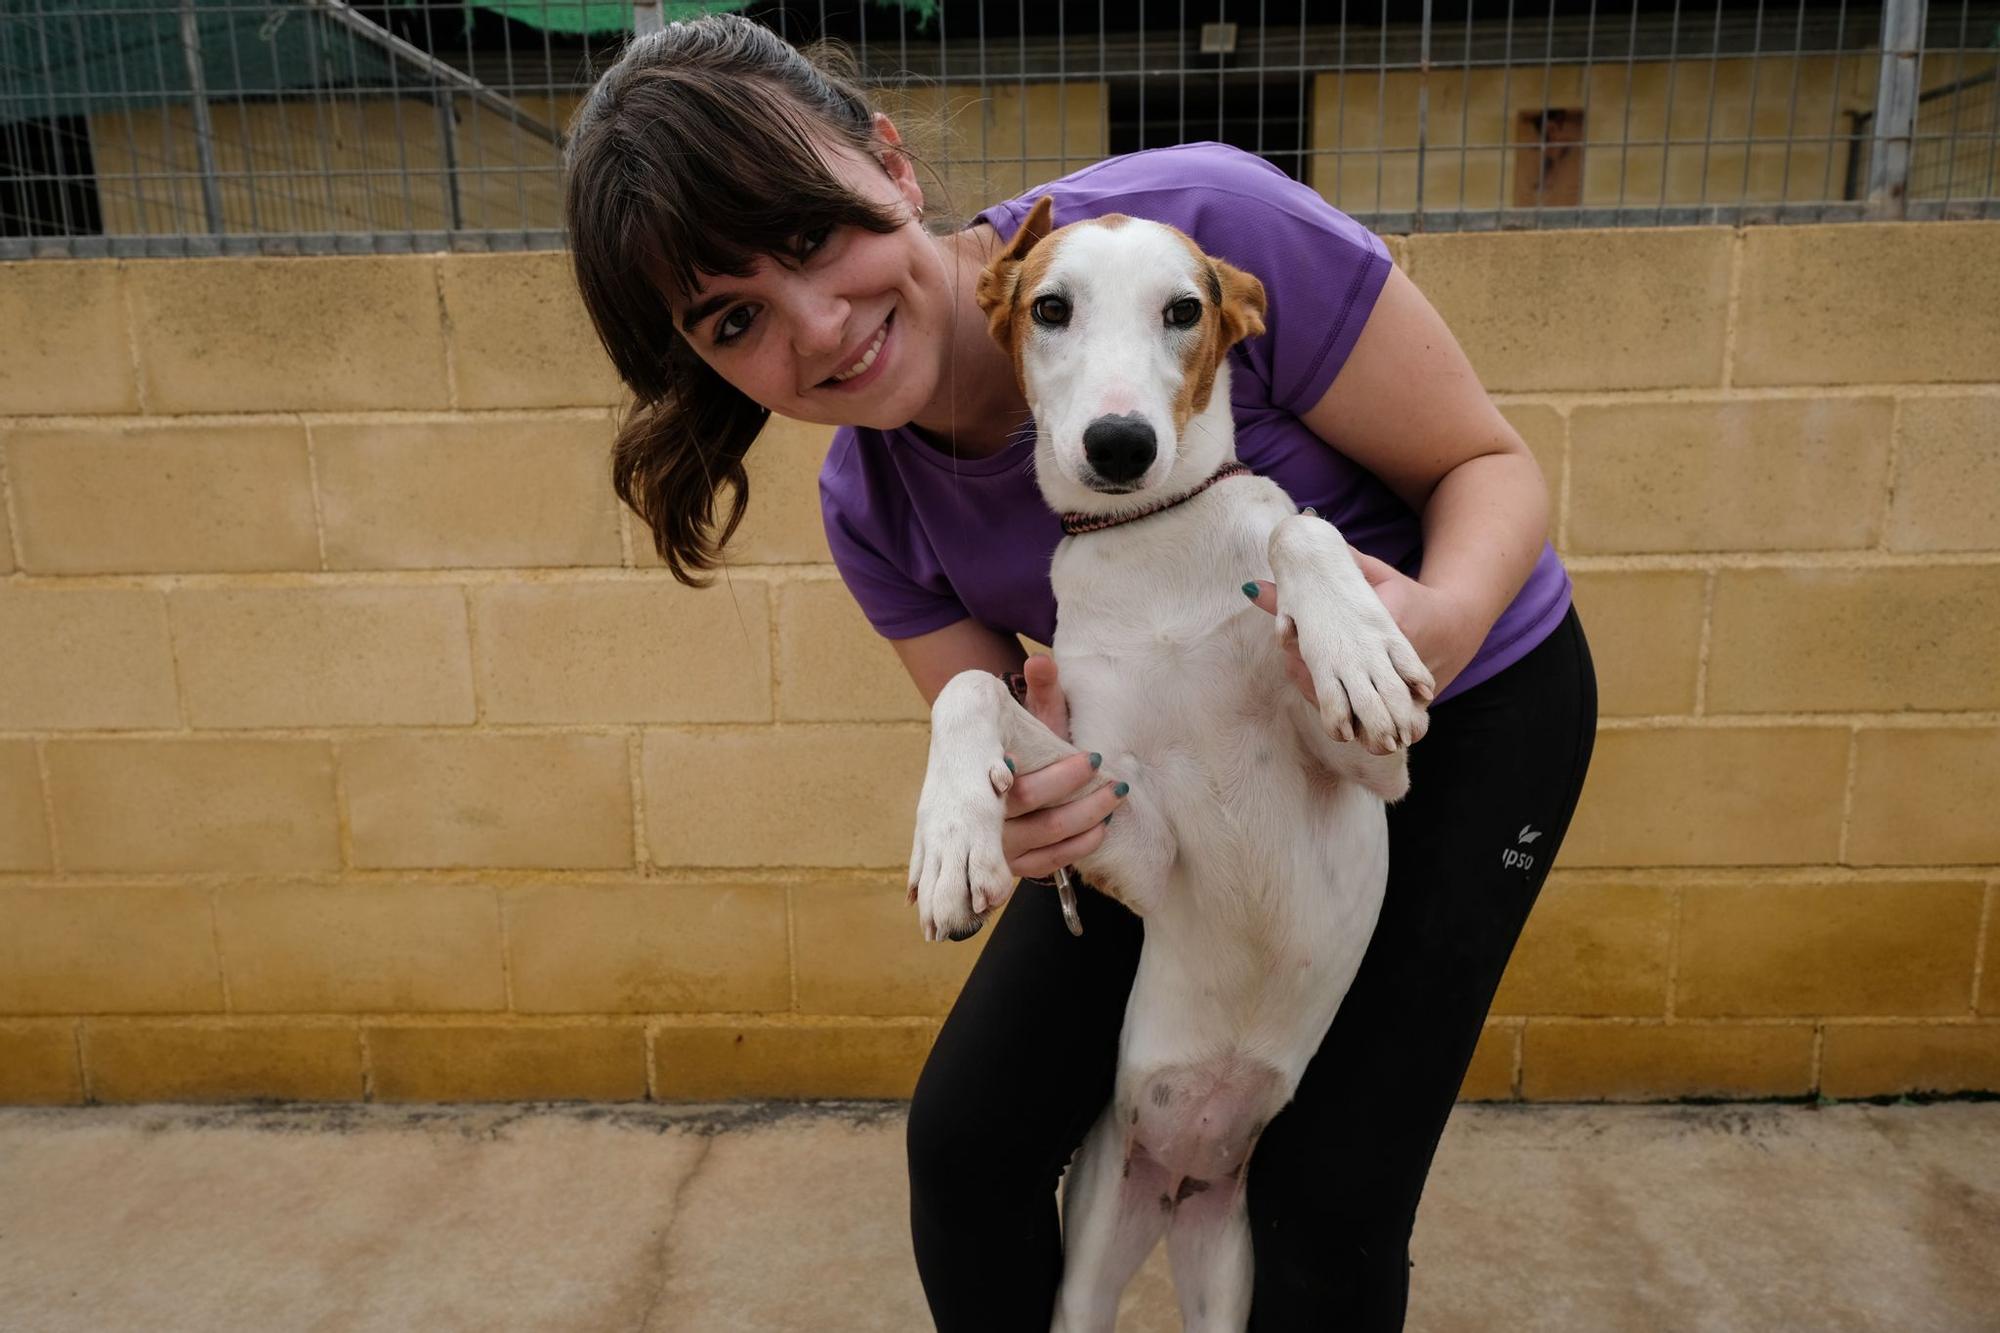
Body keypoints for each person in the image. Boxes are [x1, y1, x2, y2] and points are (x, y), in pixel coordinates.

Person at [562, 14, 1597, 1330]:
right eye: (733, 318)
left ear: (890, 162)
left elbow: (1487, 466)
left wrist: (1433, 628)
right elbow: (1039, 764)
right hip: (1198, 770)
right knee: (969, 1142)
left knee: (1323, 1196)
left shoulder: (1202, 229)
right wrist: (1031, 810)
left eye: (816, 235)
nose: (816, 329)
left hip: (1471, 698)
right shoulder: (870, 509)